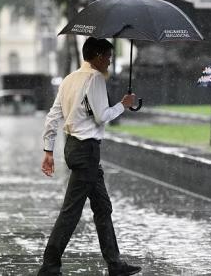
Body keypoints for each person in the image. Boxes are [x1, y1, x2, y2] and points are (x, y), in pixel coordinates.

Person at [38, 37, 141, 276]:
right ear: (96, 56)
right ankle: (49, 265)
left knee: (103, 207)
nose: (109, 61)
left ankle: (115, 264)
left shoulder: (69, 79)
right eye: (107, 56)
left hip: (73, 147)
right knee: (71, 211)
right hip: (87, 151)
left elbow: (53, 116)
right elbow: (101, 116)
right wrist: (123, 105)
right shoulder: (94, 78)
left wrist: (48, 150)